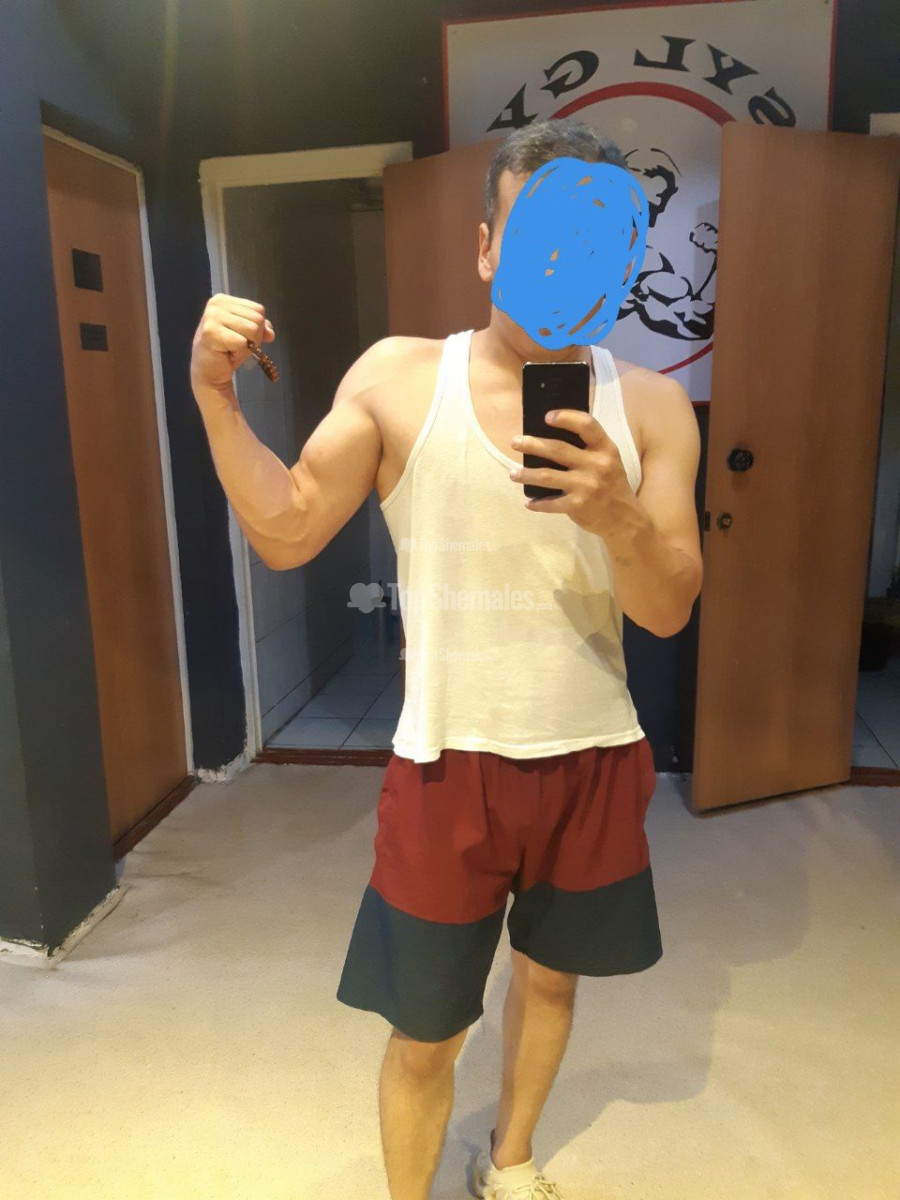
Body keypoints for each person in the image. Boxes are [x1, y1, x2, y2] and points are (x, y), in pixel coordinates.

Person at [190, 118, 702, 1200]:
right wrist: (215, 398)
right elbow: (287, 530)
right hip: (445, 765)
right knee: (425, 1030)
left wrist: (616, 515)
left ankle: (508, 1159)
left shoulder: (653, 408)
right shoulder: (401, 378)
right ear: (486, 248)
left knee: (551, 986)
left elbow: (667, 610)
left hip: (593, 755)